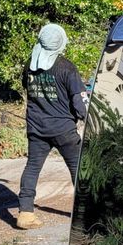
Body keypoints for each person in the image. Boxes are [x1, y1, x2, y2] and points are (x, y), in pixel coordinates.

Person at [16, 23, 87, 230]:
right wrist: (88, 120)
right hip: (64, 130)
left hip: (37, 128)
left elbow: (27, 89)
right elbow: (79, 102)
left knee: (32, 167)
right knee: (79, 170)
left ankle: (25, 213)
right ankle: (86, 217)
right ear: (60, 43)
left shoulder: (30, 64)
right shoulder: (67, 68)